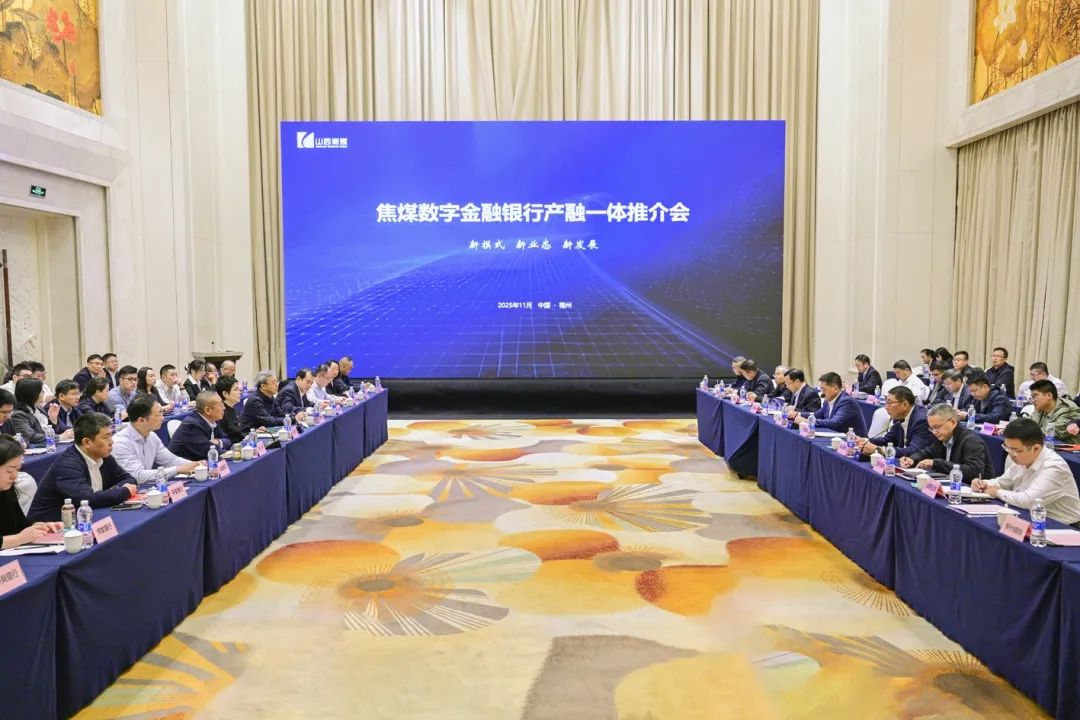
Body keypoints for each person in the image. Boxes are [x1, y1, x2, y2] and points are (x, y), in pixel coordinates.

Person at [27, 413, 138, 520]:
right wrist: (124, 491)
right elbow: (86, 500)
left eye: (111, 435)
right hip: (49, 526)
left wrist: (114, 491)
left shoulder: (103, 456)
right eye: (106, 437)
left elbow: (129, 479)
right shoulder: (68, 465)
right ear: (87, 442)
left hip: (86, 517)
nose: (111, 442)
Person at [972, 418, 1080, 527]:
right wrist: (984, 483)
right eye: (1007, 448)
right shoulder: (1021, 458)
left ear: (1036, 448)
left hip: (1063, 526)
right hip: (1031, 517)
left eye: (1014, 450)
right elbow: (1002, 482)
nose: (1010, 454)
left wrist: (997, 492)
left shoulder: (1054, 467)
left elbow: (1029, 501)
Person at [112, 395, 200, 482]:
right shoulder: (120, 443)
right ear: (141, 420)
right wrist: (177, 469)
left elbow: (170, 460)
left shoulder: (151, 436)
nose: (162, 418)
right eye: (158, 414)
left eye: (162, 413)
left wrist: (196, 465)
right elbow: (137, 476)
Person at [900, 404, 994, 481]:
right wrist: (912, 459)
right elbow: (927, 452)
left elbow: (974, 472)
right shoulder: (943, 436)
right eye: (931, 428)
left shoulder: (971, 440)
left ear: (953, 422)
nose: (934, 432)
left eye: (937, 427)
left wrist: (936, 463)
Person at [0, 437, 63, 549]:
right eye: (9, 470)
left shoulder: (6, 489)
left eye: (18, 469)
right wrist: (19, 538)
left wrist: (39, 527)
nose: (14, 476)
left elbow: (19, 523)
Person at [857, 386, 933, 458]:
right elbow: (888, 440)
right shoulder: (899, 416)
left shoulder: (921, 420)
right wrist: (865, 440)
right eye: (886, 403)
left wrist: (880, 450)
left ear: (905, 404)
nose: (886, 407)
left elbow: (914, 451)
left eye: (890, 403)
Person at [792, 372, 867, 435]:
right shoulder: (828, 400)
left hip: (855, 443)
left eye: (824, 389)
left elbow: (834, 422)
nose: (822, 393)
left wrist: (808, 421)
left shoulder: (846, 402)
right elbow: (818, 415)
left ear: (835, 388)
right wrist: (798, 414)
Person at [168, 391, 233, 461]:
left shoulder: (213, 419)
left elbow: (228, 440)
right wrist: (220, 447)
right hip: (181, 466)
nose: (224, 408)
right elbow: (209, 451)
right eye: (220, 405)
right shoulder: (191, 426)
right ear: (208, 410)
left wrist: (218, 441)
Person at [1028, 380, 1080, 444]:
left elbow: (1054, 433)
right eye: (1032, 397)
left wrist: (1028, 430)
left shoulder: (1067, 410)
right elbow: (1030, 426)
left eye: (1035, 396)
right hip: (1048, 446)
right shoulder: (1041, 408)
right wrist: (1037, 412)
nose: (1033, 401)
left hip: (1068, 449)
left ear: (1049, 395)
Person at [11, 378, 50, 444]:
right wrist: (59, 437)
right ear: (32, 394)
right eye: (41, 391)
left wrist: (53, 418)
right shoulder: (18, 415)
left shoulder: (39, 409)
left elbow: (52, 430)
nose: (44, 393)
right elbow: (31, 437)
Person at [216, 376, 245, 443]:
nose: (239, 392)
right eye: (235, 389)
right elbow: (224, 439)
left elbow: (239, 432)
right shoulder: (220, 413)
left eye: (239, 389)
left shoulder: (233, 408)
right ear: (225, 394)